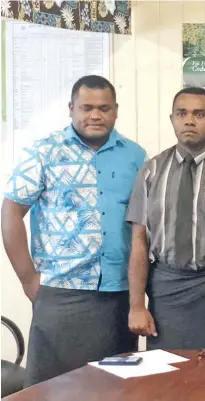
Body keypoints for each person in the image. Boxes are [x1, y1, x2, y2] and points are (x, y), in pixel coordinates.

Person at [1, 75, 146, 386]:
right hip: (61, 293)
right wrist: (28, 279)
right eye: (87, 107)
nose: (95, 115)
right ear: (71, 109)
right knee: (53, 389)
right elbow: (11, 212)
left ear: (116, 111)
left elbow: (143, 227)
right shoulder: (44, 152)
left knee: (113, 386)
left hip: (117, 295)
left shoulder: (135, 156)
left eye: (104, 108)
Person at [126, 87, 205, 350]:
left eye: (199, 114)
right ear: (172, 118)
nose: (189, 120)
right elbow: (139, 241)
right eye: (182, 113)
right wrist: (137, 305)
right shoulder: (151, 171)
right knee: (165, 376)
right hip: (165, 289)